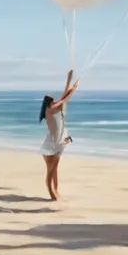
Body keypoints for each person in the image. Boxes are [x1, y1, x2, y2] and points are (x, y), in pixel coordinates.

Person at [38, 70, 81, 202]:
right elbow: (64, 98)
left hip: (56, 143)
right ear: (48, 104)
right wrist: (73, 88)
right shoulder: (49, 110)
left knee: (54, 170)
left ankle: (56, 192)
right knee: (51, 172)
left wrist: (69, 81)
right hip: (51, 145)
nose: (56, 102)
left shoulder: (55, 109)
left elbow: (63, 97)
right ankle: (52, 194)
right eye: (53, 101)